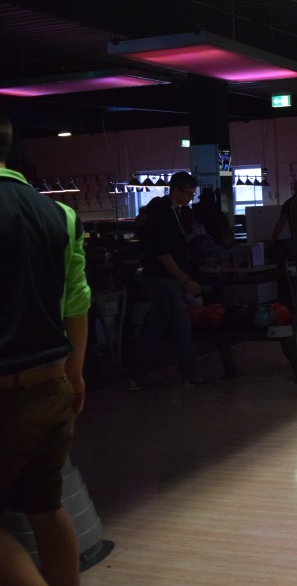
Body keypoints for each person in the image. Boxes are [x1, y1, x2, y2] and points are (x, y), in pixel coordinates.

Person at [0, 110, 92, 586]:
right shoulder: (61, 215)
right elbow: (77, 303)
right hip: (53, 386)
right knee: (45, 508)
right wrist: (75, 375)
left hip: (4, 393)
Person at [131, 171, 217, 389]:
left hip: (161, 277)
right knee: (181, 325)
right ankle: (190, 374)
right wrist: (185, 280)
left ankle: (139, 375)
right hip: (162, 278)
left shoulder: (168, 210)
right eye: (189, 193)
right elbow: (162, 252)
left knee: (156, 326)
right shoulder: (163, 212)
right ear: (176, 189)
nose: (191, 198)